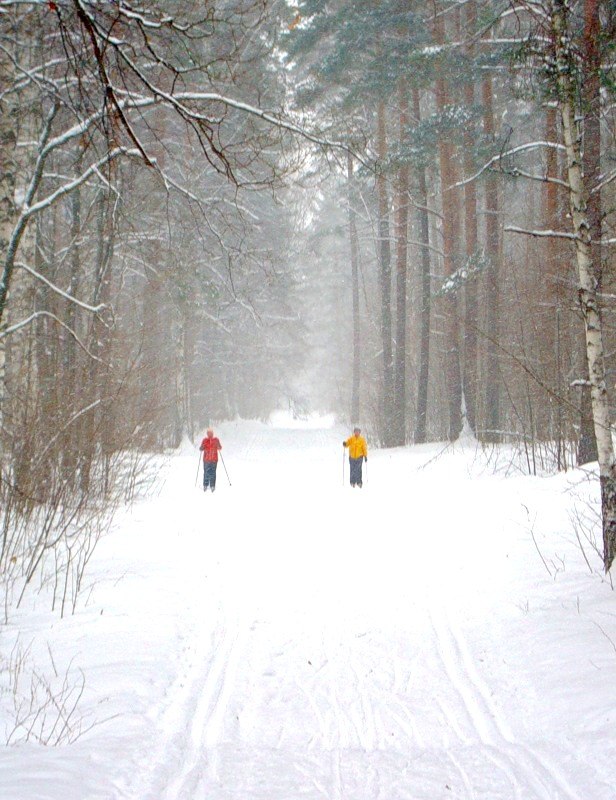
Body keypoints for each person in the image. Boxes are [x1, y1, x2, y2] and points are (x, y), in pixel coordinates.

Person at [199, 428, 222, 492]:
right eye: (208, 433)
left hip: (214, 459)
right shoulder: (205, 440)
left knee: (213, 473)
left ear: (213, 433)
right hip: (206, 459)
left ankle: (212, 486)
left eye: (211, 433)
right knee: (206, 472)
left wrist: (217, 445)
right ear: (207, 433)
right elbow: (201, 448)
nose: (210, 434)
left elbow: (220, 448)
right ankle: (205, 485)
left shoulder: (216, 440)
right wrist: (202, 447)